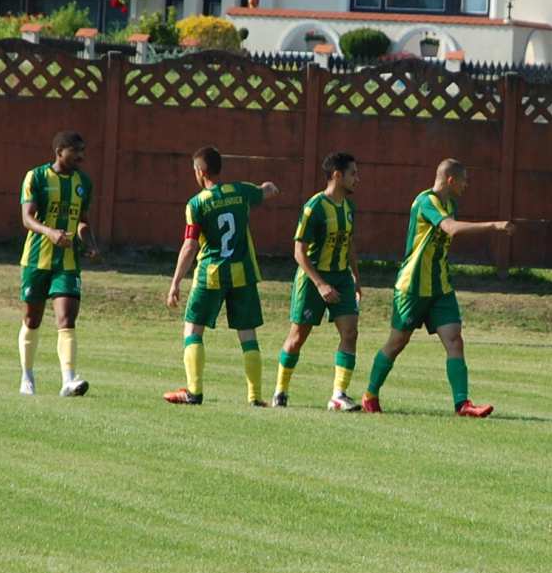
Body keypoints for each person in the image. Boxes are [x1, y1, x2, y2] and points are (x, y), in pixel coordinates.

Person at [361, 158, 515, 417]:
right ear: (451, 180)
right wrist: (494, 225)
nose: (467, 185)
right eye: (464, 180)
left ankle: (462, 404)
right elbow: (451, 229)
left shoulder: (451, 203)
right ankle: (370, 394)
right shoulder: (426, 201)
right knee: (397, 341)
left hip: (440, 287)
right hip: (412, 286)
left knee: (455, 340)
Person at [163, 146, 280, 406]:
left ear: (201, 172)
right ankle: (255, 397)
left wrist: (175, 284)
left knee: (193, 329)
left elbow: (190, 245)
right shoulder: (240, 191)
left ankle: (194, 392)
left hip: (211, 274)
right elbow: (265, 192)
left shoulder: (197, 203)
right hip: (244, 274)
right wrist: (269, 188)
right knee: (247, 334)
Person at [272, 152, 362, 411]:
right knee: (297, 337)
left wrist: (356, 277)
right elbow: (299, 252)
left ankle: (338, 395)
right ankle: (281, 390)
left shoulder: (349, 207)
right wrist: (321, 284)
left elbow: (350, 242)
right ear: (337, 175)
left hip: (342, 278)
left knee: (350, 332)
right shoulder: (314, 207)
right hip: (313, 279)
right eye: (353, 173)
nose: (358, 178)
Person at [18, 131, 99, 397]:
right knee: (32, 318)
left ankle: (68, 379)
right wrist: (50, 232)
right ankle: (27, 376)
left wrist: (89, 242)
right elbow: (27, 219)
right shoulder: (36, 177)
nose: (81, 157)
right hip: (36, 260)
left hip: (67, 262)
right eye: (76, 151)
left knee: (67, 318)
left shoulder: (83, 182)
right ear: (59, 150)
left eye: (83, 150)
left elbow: (83, 220)